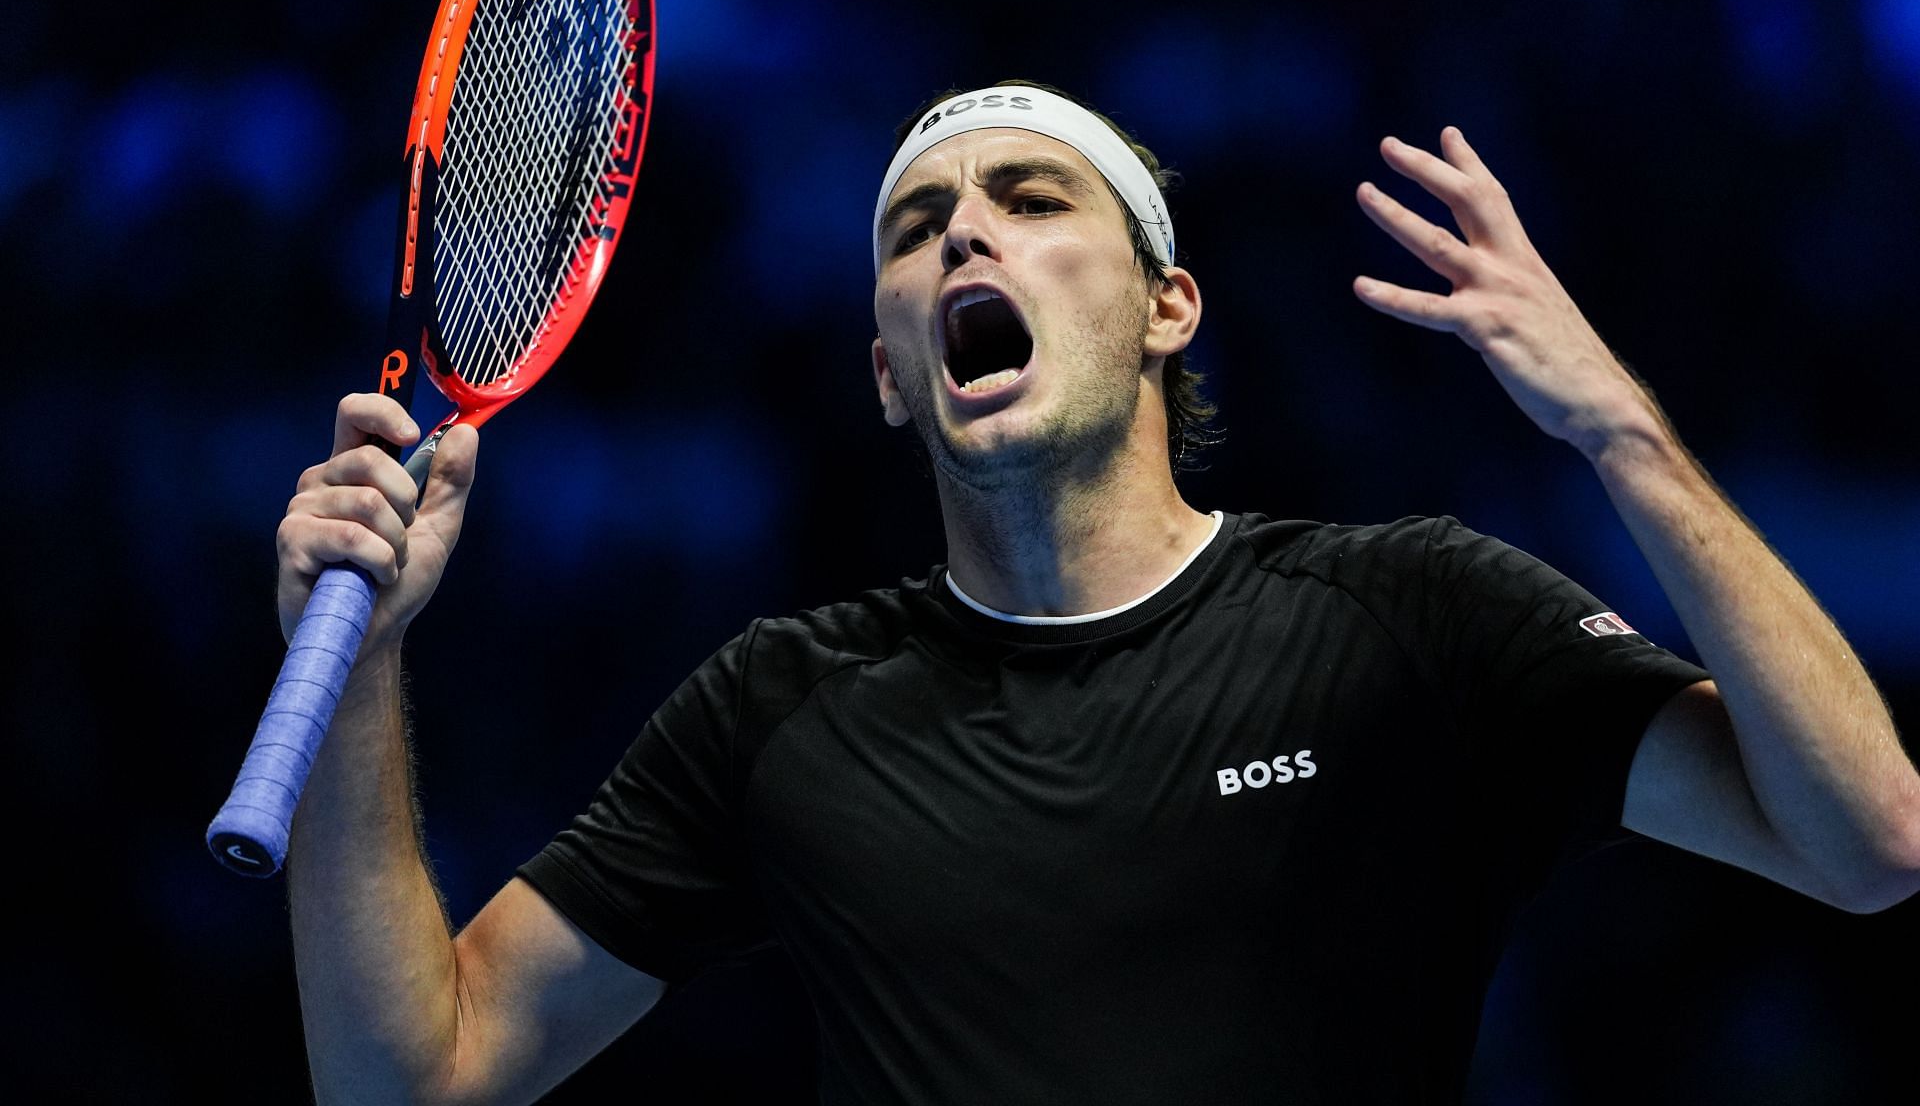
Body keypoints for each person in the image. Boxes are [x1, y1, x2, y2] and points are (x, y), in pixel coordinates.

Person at [277, 81, 1920, 1105]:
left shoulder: (1407, 622)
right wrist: (362, 670)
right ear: (890, 376)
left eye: (1030, 201)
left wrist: (1618, 428)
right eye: (919, 232)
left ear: (1165, 307)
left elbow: (1870, 844)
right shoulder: (781, 708)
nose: (964, 241)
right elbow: (409, 1078)